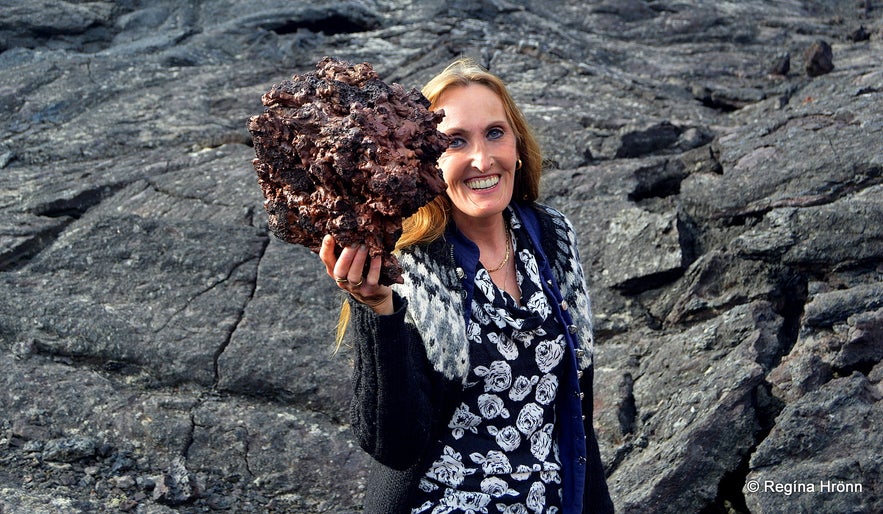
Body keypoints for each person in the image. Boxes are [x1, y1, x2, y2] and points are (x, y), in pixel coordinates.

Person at [319, 57, 614, 514]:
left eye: (495, 132)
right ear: (424, 162)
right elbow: (394, 445)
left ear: (517, 144)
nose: (482, 158)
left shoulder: (551, 236)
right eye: (454, 141)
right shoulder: (404, 264)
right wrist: (377, 310)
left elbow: (575, 409)